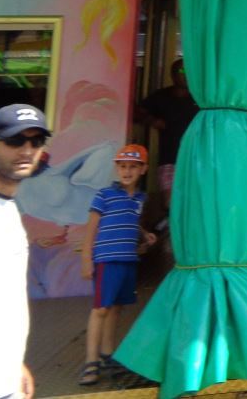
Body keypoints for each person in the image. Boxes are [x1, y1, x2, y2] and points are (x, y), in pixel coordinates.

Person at [79, 144, 156, 387]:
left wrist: (144, 234)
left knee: (115, 309)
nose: (127, 171)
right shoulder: (104, 195)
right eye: (122, 166)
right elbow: (91, 228)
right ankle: (90, 361)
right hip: (106, 260)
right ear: (117, 169)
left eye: (133, 167)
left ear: (143, 169)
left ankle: (107, 355)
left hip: (128, 260)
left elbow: (129, 220)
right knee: (101, 308)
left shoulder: (141, 199)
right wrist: (86, 259)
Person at [0, 103, 51, 399]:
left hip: (6, 379)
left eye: (36, 141)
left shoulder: (8, 206)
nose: (27, 150)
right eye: (15, 140)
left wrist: (14, 363)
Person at [137, 60, 198, 215]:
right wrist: (152, 120)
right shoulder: (162, 96)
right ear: (173, 75)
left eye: (189, 70)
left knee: (193, 203)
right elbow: (137, 112)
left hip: (196, 161)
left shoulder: (200, 98)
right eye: (182, 71)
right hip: (169, 160)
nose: (186, 75)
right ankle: (167, 228)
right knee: (169, 203)